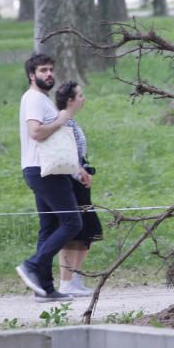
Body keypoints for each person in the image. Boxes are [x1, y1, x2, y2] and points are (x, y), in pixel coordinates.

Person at [15, 53, 89, 302]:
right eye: (43, 70)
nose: (49, 74)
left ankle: (44, 289)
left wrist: (77, 169)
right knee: (72, 223)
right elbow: (36, 133)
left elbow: (56, 142)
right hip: (43, 171)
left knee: (48, 229)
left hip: (42, 169)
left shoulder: (41, 100)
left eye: (50, 70)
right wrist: (61, 118)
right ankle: (33, 265)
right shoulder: (35, 99)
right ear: (31, 75)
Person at [54, 81, 102, 297]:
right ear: (70, 100)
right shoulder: (63, 122)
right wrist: (79, 173)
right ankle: (66, 280)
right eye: (80, 95)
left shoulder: (72, 122)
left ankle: (75, 277)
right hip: (71, 180)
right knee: (73, 230)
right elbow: (64, 153)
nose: (84, 99)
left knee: (87, 229)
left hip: (80, 178)